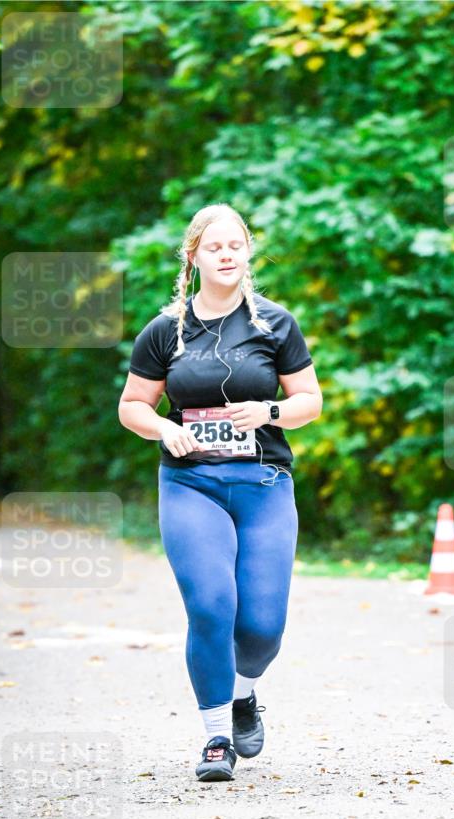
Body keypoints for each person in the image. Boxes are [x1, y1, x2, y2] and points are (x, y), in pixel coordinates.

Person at [118, 203, 322, 782]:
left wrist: (271, 410)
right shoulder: (165, 330)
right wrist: (166, 428)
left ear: (247, 252)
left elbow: (311, 401)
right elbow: (133, 406)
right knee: (211, 606)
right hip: (191, 485)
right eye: (215, 247)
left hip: (263, 483)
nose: (227, 254)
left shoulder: (275, 324)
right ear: (195, 256)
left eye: (236, 245)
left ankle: (243, 694)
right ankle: (215, 739)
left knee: (261, 627)